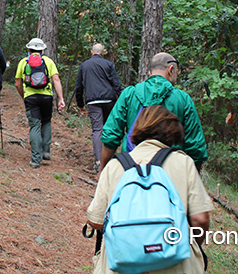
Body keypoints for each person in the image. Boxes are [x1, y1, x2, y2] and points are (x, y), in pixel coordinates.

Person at [86, 105, 213, 274]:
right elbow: (200, 219)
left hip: (122, 266)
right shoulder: (183, 163)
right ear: (173, 131)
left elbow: (95, 220)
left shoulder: (115, 166)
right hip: (176, 266)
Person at [100, 52, 208, 173]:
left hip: (130, 168)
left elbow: (111, 136)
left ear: (150, 73)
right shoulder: (183, 99)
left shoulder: (129, 94)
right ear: (171, 70)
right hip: (170, 173)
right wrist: (192, 176)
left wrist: (103, 169)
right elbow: (196, 147)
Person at [15, 38, 65, 168]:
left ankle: (35, 160)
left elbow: (17, 83)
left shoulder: (23, 62)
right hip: (46, 97)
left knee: (35, 126)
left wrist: (24, 96)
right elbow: (56, 79)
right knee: (47, 121)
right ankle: (46, 151)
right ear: (42, 49)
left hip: (31, 98)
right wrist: (61, 99)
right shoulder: (48, 61)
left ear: (29, 49)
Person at [75, 43, 123, 172]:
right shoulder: (108, 64)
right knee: (108, 128)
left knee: (97, 130)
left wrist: (80, 105)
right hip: (109, 99)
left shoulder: (84, 65)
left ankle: (98, 161)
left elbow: (79, 87)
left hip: (93, 101)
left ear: (92, 52)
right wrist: (123, 100)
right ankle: (110, 159)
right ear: (102, 53)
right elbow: (116, 84)